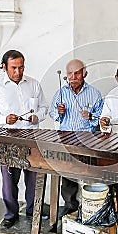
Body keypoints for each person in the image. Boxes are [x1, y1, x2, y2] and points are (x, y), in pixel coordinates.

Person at [0, 50, 49, 228]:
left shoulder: (34, 84)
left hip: (32, 137)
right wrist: (4, 119)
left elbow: (44, 108)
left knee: (34, 178)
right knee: (9, 181)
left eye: (21, 67)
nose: (18, 72)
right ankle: (11, 214)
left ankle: (33, 210)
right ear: (4, 67)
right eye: (13, 68)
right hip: (8, 140)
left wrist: (37, 117)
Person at [49, 59, 103, 218]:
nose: (73, 76)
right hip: (66, 139)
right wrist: (58, 113)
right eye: (70, 73)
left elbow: (102, 118)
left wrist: (91, 116)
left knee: (89, 174)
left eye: (77, 73)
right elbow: (53, 115)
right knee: (67, 175)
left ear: (84, 74)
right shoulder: (60, 93)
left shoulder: (94, 93)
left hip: (88, 140)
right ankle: (70, 204)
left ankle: (89, 206)